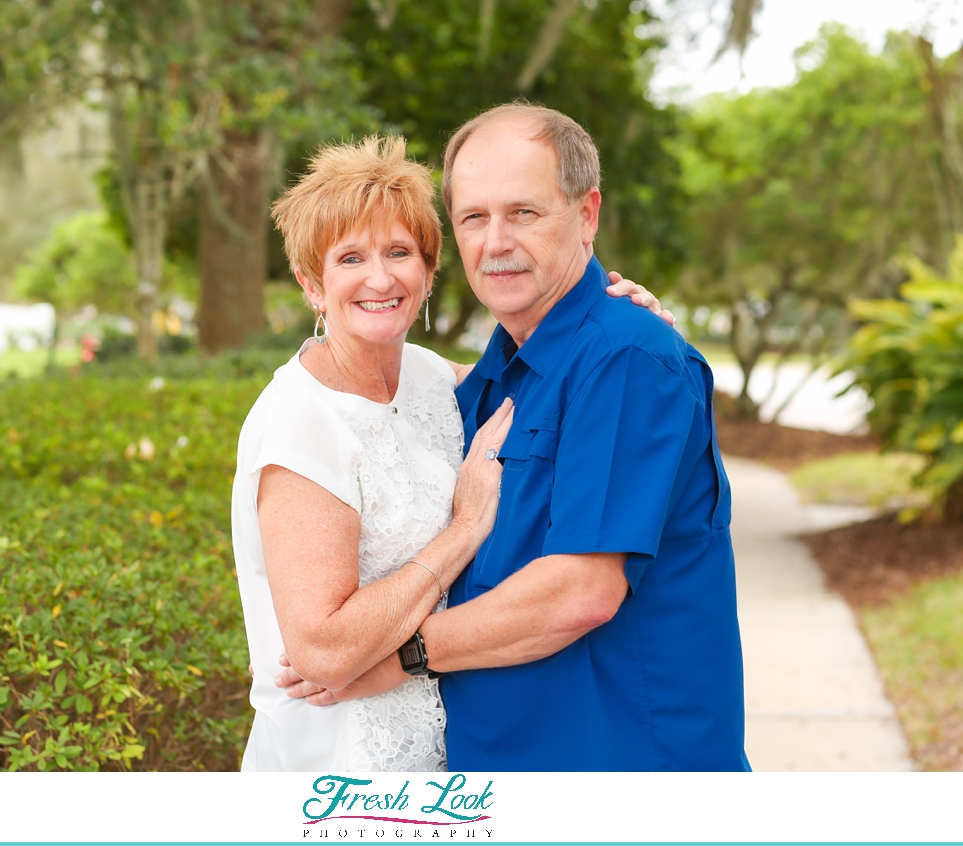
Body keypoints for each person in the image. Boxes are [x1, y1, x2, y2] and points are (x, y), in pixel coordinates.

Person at [282, 104, 749, 772]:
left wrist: (396, 659)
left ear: (586, 215)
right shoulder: (493, 376)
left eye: (523, 213)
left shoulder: (627, 358)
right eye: (474, 217)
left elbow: (580, 591)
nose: (495, 241)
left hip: (620, 770)